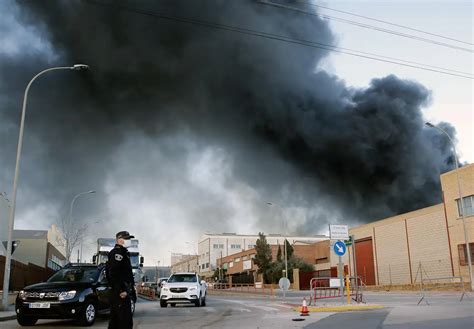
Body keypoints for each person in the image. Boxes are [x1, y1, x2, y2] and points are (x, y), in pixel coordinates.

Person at [107, 231, 136, 329]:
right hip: (120, 294)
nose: (129, 241)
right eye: (127, 239)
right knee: (124, 322)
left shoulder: (123, 252)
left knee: (116, 322)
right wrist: (121, 290)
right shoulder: (117, 253)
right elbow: (114, 272)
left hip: (122, 292)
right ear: (120, 240)